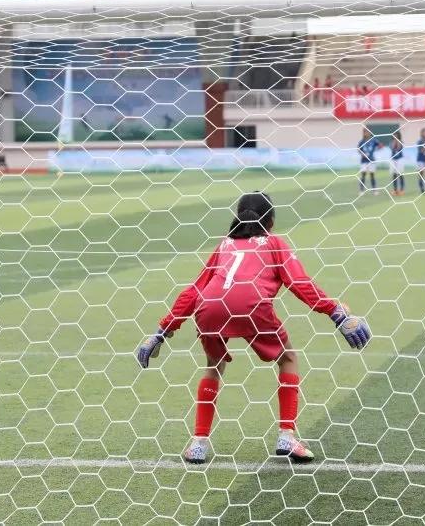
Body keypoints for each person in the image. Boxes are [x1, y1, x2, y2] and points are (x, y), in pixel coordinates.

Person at [136, 192, 371, 464]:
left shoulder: (225, 245)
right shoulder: (273, 243)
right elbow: (299, 283)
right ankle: (286, 435)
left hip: (209, 306)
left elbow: (194, 290)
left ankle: (198, 443)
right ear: (270, 222)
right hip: (251, 304)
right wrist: (336, 313)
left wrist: (162, 331)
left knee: (213, 365)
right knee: (288, 358)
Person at [358, 128, 380, 194]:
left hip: (371, 160)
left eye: (367, 132)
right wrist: (362, 154)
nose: (366, 133)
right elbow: (358, 149)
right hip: (364, 161)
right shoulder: (362, 141)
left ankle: (374, 190)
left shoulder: (373, 140)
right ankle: (361, 190)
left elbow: (380, 145)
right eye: (365, 132)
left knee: (372, 175)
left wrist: (375, 150)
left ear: (370, 133)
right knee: (363, 174)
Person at [389, 131, 406, 196]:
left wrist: (398, 141)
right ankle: (395, 190)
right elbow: (392, 148)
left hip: (400, 159)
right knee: (394, 175)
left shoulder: (401, 142)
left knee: (400, 174)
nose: (395, 137)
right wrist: (394, 141)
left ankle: (402, 190)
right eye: (394, 135)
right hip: (393, 160)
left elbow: (399, 148)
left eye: (396, 135)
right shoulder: (391, 143)